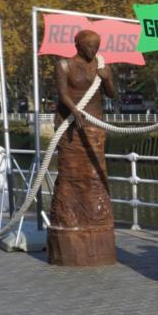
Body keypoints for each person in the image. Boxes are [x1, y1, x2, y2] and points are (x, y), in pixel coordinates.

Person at [48, 30, 117, 266]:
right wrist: (75, 110)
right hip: (70, 124)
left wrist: (107, 78)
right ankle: (70, 217)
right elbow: (63, 93)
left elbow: (112, 94)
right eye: (89, 46)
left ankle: (95, 217)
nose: (93, 50)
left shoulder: (101, 65)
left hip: (94, 123)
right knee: (70, 173)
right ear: (77, 44)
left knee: (95, 174)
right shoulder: (64, 65)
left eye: (96, 46)